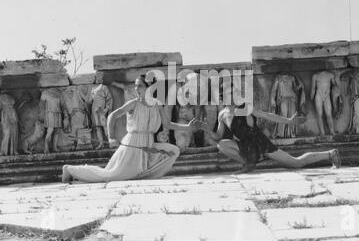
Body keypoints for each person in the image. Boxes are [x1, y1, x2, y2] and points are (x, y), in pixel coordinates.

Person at [61, 76, 199, 183]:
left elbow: (167, 124)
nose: (136, 88)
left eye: (140, 86)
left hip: (148, 144)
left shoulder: (157, 105)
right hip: (132, 144)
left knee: (173, 150)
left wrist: (187, 127)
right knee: (110, 175)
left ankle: (146, 176)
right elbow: (112, 116)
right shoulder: (133, 103)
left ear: (149, 87)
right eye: (135, 86)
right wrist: (111, 137)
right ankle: (69, 169)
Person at [198, 102, 341, 173]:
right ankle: (249, 164)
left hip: (260, 143)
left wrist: (288, 121)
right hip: (245, 146)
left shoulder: (244, 108)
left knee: (295, 163)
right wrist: (205, 129)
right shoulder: (222, 114)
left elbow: (268, 115)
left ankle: (330, 154)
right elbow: (218, 136)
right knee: (221, 145)